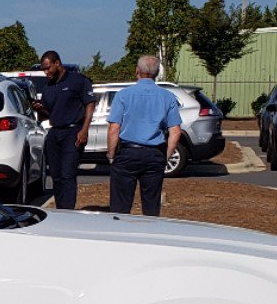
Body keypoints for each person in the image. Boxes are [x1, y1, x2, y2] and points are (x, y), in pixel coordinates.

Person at [105, 55, 181, 217]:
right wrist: (165, 157)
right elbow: (175, 131)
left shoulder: (123, 95)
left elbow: (114, 128)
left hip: (127, 153)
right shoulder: (168, 97)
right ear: (157, 72)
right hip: (154, 154)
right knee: (151, 207)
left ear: (137, 71)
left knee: (120, 207)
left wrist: (111, 155)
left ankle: (120, 237)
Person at [30, 51, 96, 210]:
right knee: (56, 175)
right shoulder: (48, 88)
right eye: (44, 70)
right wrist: (39, 109)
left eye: (48, 68)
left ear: (57, 63)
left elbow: (90, 103)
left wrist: (85, 129)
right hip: (55, 133)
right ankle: (60, 210)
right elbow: (48, 115)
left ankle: (68, 212)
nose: (46, 73)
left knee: (67, 174)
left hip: (73, 133)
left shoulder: (78, 80)